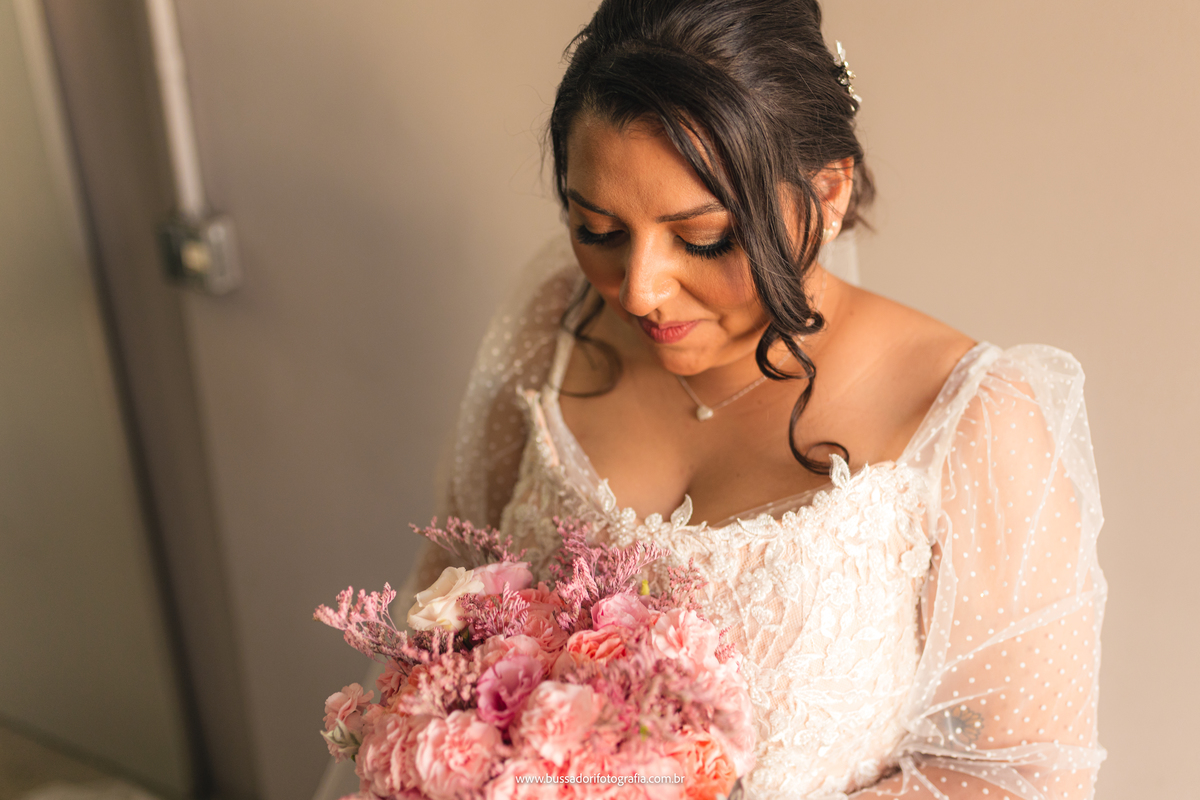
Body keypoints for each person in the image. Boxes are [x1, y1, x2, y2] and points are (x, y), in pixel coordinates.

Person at [399, 0, 1107, 797]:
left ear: (828, 192)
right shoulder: (555, 326)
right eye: (598, 229)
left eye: (703, 238)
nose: (640, 290)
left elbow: (1019, 774)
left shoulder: (975, 419)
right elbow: (448, 607)